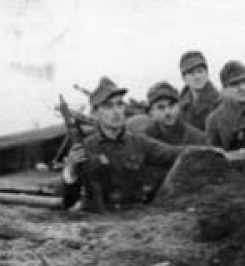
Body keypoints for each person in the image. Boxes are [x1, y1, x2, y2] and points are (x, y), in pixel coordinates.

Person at [62, 77, 220, 212]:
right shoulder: (86, 148)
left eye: (119, 104)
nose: (116, 111)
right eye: (108, 106)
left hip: (134, 223)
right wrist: (71, 171)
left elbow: (175, 153)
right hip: (98, 226)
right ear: (95, 113)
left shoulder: (139, 143)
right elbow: (68, 201)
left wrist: (214, 153)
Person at [127, 81, 208, 146]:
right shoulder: (143, 140)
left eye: (171, 105)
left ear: (179, 106)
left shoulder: (198, 139)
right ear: (151, 112)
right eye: (161, 107)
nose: (168, 112)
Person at [178, 50, 222, 131]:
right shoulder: (180, 105)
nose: (197, 77)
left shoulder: (220, 102)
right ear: (184, 78)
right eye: (191, 73)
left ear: (207, 73)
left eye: (200, 71)